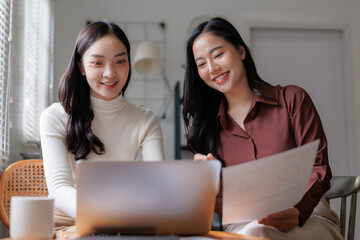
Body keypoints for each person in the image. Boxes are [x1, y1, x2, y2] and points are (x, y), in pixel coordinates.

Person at [182, 17, 342, 239]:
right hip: (244, 226)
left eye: (218, 54)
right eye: (201, 64)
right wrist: (212, 188)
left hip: (308, 218)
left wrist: (297, 211)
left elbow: (319, 166)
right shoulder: (208, 131)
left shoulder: (292, 100)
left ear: (241, 51)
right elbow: (223, 208)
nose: (212, 68)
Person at [40, 20, 165, 228]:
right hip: (65, 224)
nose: (110, 73)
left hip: (122, 221)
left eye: (119, 61)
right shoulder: (54, 116)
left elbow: (157, 185)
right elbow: (60, 188)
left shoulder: (145, 120)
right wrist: (105, 215)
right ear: (81, 66)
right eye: (98, 63)